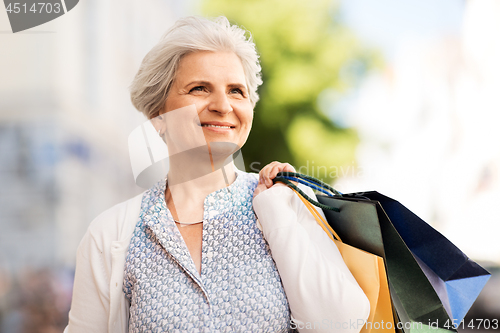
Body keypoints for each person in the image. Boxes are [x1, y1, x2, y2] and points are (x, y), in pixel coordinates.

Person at [65, 16, 369, 333]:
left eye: (236, 91)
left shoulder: (286, 203)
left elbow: (342, 325)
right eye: (200, 88)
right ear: (158, 115)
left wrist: (275, 213)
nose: (223, 106)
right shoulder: (110, 235)